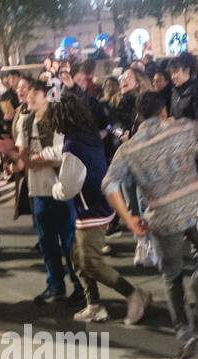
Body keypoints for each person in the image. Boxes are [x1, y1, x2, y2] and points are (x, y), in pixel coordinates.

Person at [103, 90, 198, 359]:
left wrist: (128, 218)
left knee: (172, 278)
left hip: (162, 217)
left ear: (140, 116)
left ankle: (185, 334)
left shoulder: (128, 149)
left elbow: (109, 184)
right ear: (164, 111)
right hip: (197, 206)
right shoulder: (181, 127)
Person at [48, 95, 150, 325]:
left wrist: (53, 188)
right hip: (98, 203)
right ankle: (93, 304)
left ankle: (133, 294)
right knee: (77, 257)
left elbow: (68, 188)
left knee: (90, 261)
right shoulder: (88, 135)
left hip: (90, 208)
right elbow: (61, 153)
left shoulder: (73, 146)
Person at [15, 80, 82, 304]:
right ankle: (55, 285)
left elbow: (61, 151)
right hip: (37, 190)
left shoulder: (57, 119)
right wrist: (20, 159)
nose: (30, 96)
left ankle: (81, 286)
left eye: (36, 93)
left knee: (69, 241)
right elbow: (22, 153)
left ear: (47, 96)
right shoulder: (24, 121)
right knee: (47, 242)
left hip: (60, 188)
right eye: (29, 93)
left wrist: (35, 159)